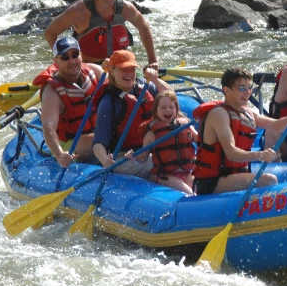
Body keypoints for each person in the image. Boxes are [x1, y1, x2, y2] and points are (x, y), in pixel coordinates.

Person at [193, 67, 287, 195]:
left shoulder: (248, 112)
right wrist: (259, 155)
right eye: (242, 88)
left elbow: (277, 126)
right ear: (227, 90)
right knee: (269, 180)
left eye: (249, 87)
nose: (248, 92)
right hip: (212, 182)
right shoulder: (219, 114)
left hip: (235, 175)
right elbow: (231, 152)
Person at [44, 0, 159, 69]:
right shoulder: (78, 11)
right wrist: (63, 60)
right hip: (89, 67)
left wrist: (153, 61)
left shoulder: (125, 8)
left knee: (156, 87)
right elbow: (50, 33)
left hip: (119, 65)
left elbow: (144, 27)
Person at [92, 49, 171, 177]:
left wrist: (156, 80)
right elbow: (98, 143)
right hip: (123, 157)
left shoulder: (145, 87)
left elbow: (172, 100)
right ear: (112, 71)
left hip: (148, 149)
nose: (129, 73)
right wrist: (105, 160)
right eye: (123, 69)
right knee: (161, 162)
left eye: (132, 69)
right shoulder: (108, 103)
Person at [34, 37, 103, 168]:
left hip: (98, 132)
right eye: (65, 57)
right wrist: (60, 153)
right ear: (56, 61)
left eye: (75, 55)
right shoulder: (52, 92)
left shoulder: (95, 71)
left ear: (81, 55)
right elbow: (48, 127)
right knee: (100, 139)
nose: (71, 61)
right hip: (70, 142)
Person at [126, 91, 198, 194]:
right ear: (156, 111)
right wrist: (134, 157)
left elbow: (200, 141)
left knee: (199, 192)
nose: (168, 110)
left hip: (188, 172)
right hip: (166, 176)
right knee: (190, 194)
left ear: (176, 109)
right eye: (163, 108)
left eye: (171, 107)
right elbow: (143, 158)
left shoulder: (186, 125)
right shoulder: (151, 134)